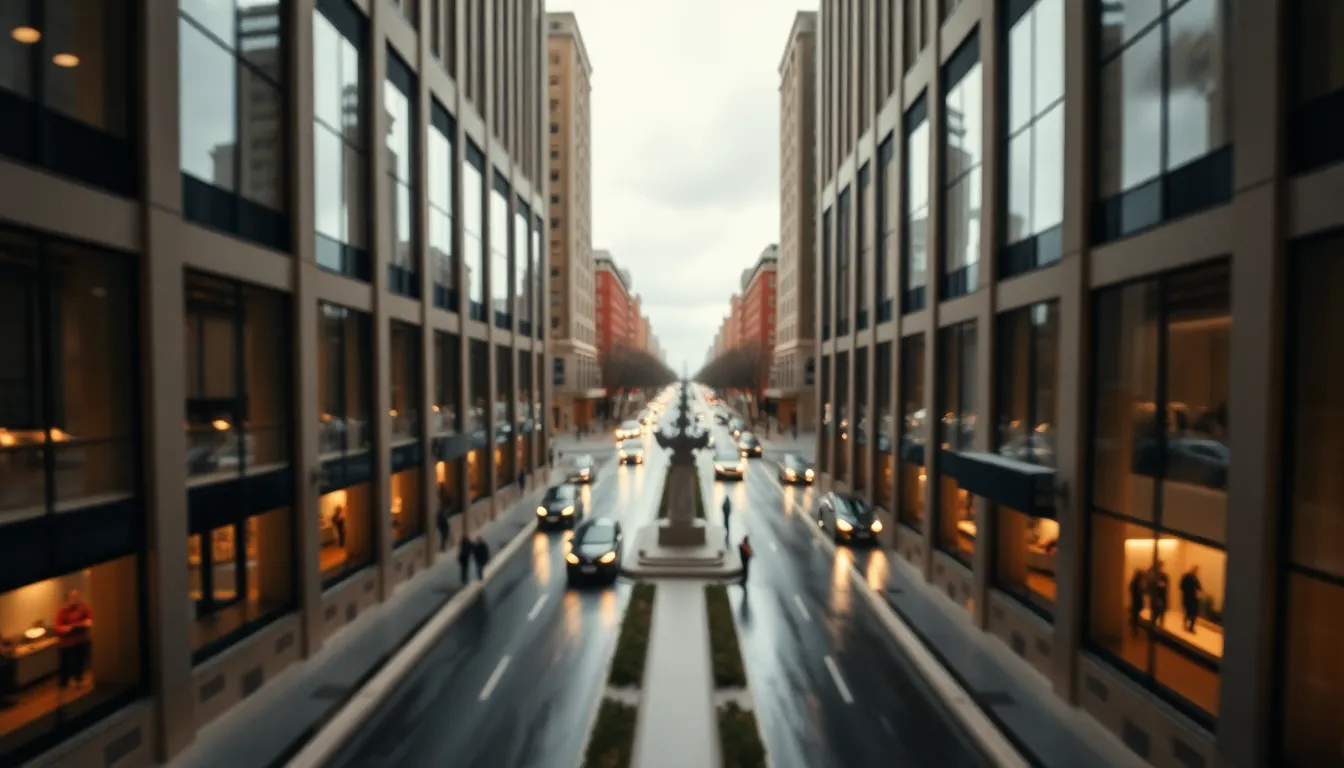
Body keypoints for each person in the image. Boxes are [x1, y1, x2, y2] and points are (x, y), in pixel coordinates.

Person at [55, 590, 93, 690]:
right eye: (73, 597)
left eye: (77, 597)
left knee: (81, 662)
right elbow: (58, 627)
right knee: (66, 665)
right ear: (68, 599)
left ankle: (78, 680)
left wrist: (83, 624)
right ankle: (63, 685)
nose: (76, 599)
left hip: (81, 640)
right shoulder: (62, 611)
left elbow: (90, 620)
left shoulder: (83, 607)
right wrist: (67, 628)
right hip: (67, 644)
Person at [1180, 565, 1203, 632]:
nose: (1197, 571)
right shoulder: (1187, 576)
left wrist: (1200, 590)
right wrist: (1189, 591)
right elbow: (1182, 586)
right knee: (1188, 613)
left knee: (1194, 613)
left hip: (1194, 599)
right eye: (1196, 570)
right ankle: (1185, 625)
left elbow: (1199, 586)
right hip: (1188, 599)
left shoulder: (1195, 578)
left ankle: (1191, 627)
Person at [1148, 561, 1170, 628]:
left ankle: (1157, 628)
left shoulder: (1162, 576)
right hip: (1157, 597)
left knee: (1159, 614)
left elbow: (1165, 586)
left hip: (1160, 597)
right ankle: (1154, 630)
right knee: (1156, 614)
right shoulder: (1155, 576)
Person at [1128, 569, 1147, 637]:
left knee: (1135, 614)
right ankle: (1134, 629)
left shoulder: (1135, 581)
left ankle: (1134, 628)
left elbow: (1131, 589)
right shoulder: (1137, 582)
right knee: (1136, 614)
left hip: (1136, 600)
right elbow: (1139, 591)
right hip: (1137, 600)